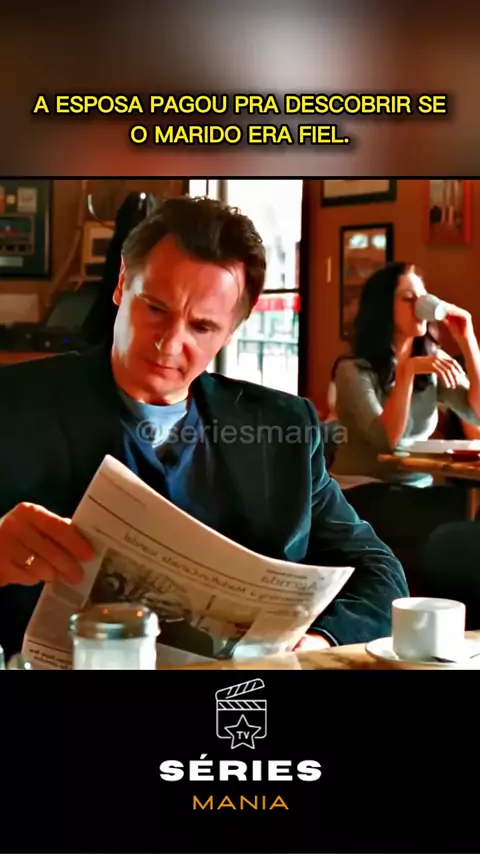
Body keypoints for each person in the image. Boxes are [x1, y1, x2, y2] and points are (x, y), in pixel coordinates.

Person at [0, 196, 407, 660]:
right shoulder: (13, 404)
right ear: (121, 284)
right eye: (155, 308)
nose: (169, 343)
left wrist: (315, 640)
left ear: (231, 331)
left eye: (201, 326)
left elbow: (379, 572)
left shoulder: (281, 428)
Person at [329, 261, 480, 578]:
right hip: (362, 491)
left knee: (465, 505)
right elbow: (388, 440)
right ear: (384, 308)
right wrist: (407, 372)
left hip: (415, 487)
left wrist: (467, 338)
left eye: (422, 297)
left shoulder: (433, 362)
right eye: (408, 298)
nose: (420, 305)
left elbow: (475, 414)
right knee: (456, 510)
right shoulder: (352, 370)